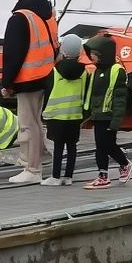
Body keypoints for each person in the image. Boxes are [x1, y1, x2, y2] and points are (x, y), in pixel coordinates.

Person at [0, 0, 58, 184]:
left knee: (27, 124)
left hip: (28, 77)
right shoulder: (46, 11)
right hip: (46, 72)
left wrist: (7, 83)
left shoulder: (20, 17)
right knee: (37, 121)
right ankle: (41, 155)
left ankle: (32, 169)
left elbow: (13, 53)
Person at [82, 35, 132, 189]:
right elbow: (92, 94)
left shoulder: (117, 71)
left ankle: (124, 163)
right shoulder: (97, 71)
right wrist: (86, 114)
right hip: (98, 114)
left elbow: (120, 98)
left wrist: (116, 121)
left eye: (95, 55)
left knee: (108, 144)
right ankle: (103, 175)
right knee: (100, 146)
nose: (92, 58)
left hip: (109, 114)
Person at [42, 34, 88, 186]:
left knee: (58, 147)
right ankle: (68, 177)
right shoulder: (84, 72)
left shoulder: (55, 71)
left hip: (56, 116)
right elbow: (86, 93)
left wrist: (44, 112)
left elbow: (48, 93)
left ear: (64, 52)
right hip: (75, 115)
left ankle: (55, 177)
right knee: (72, 146)